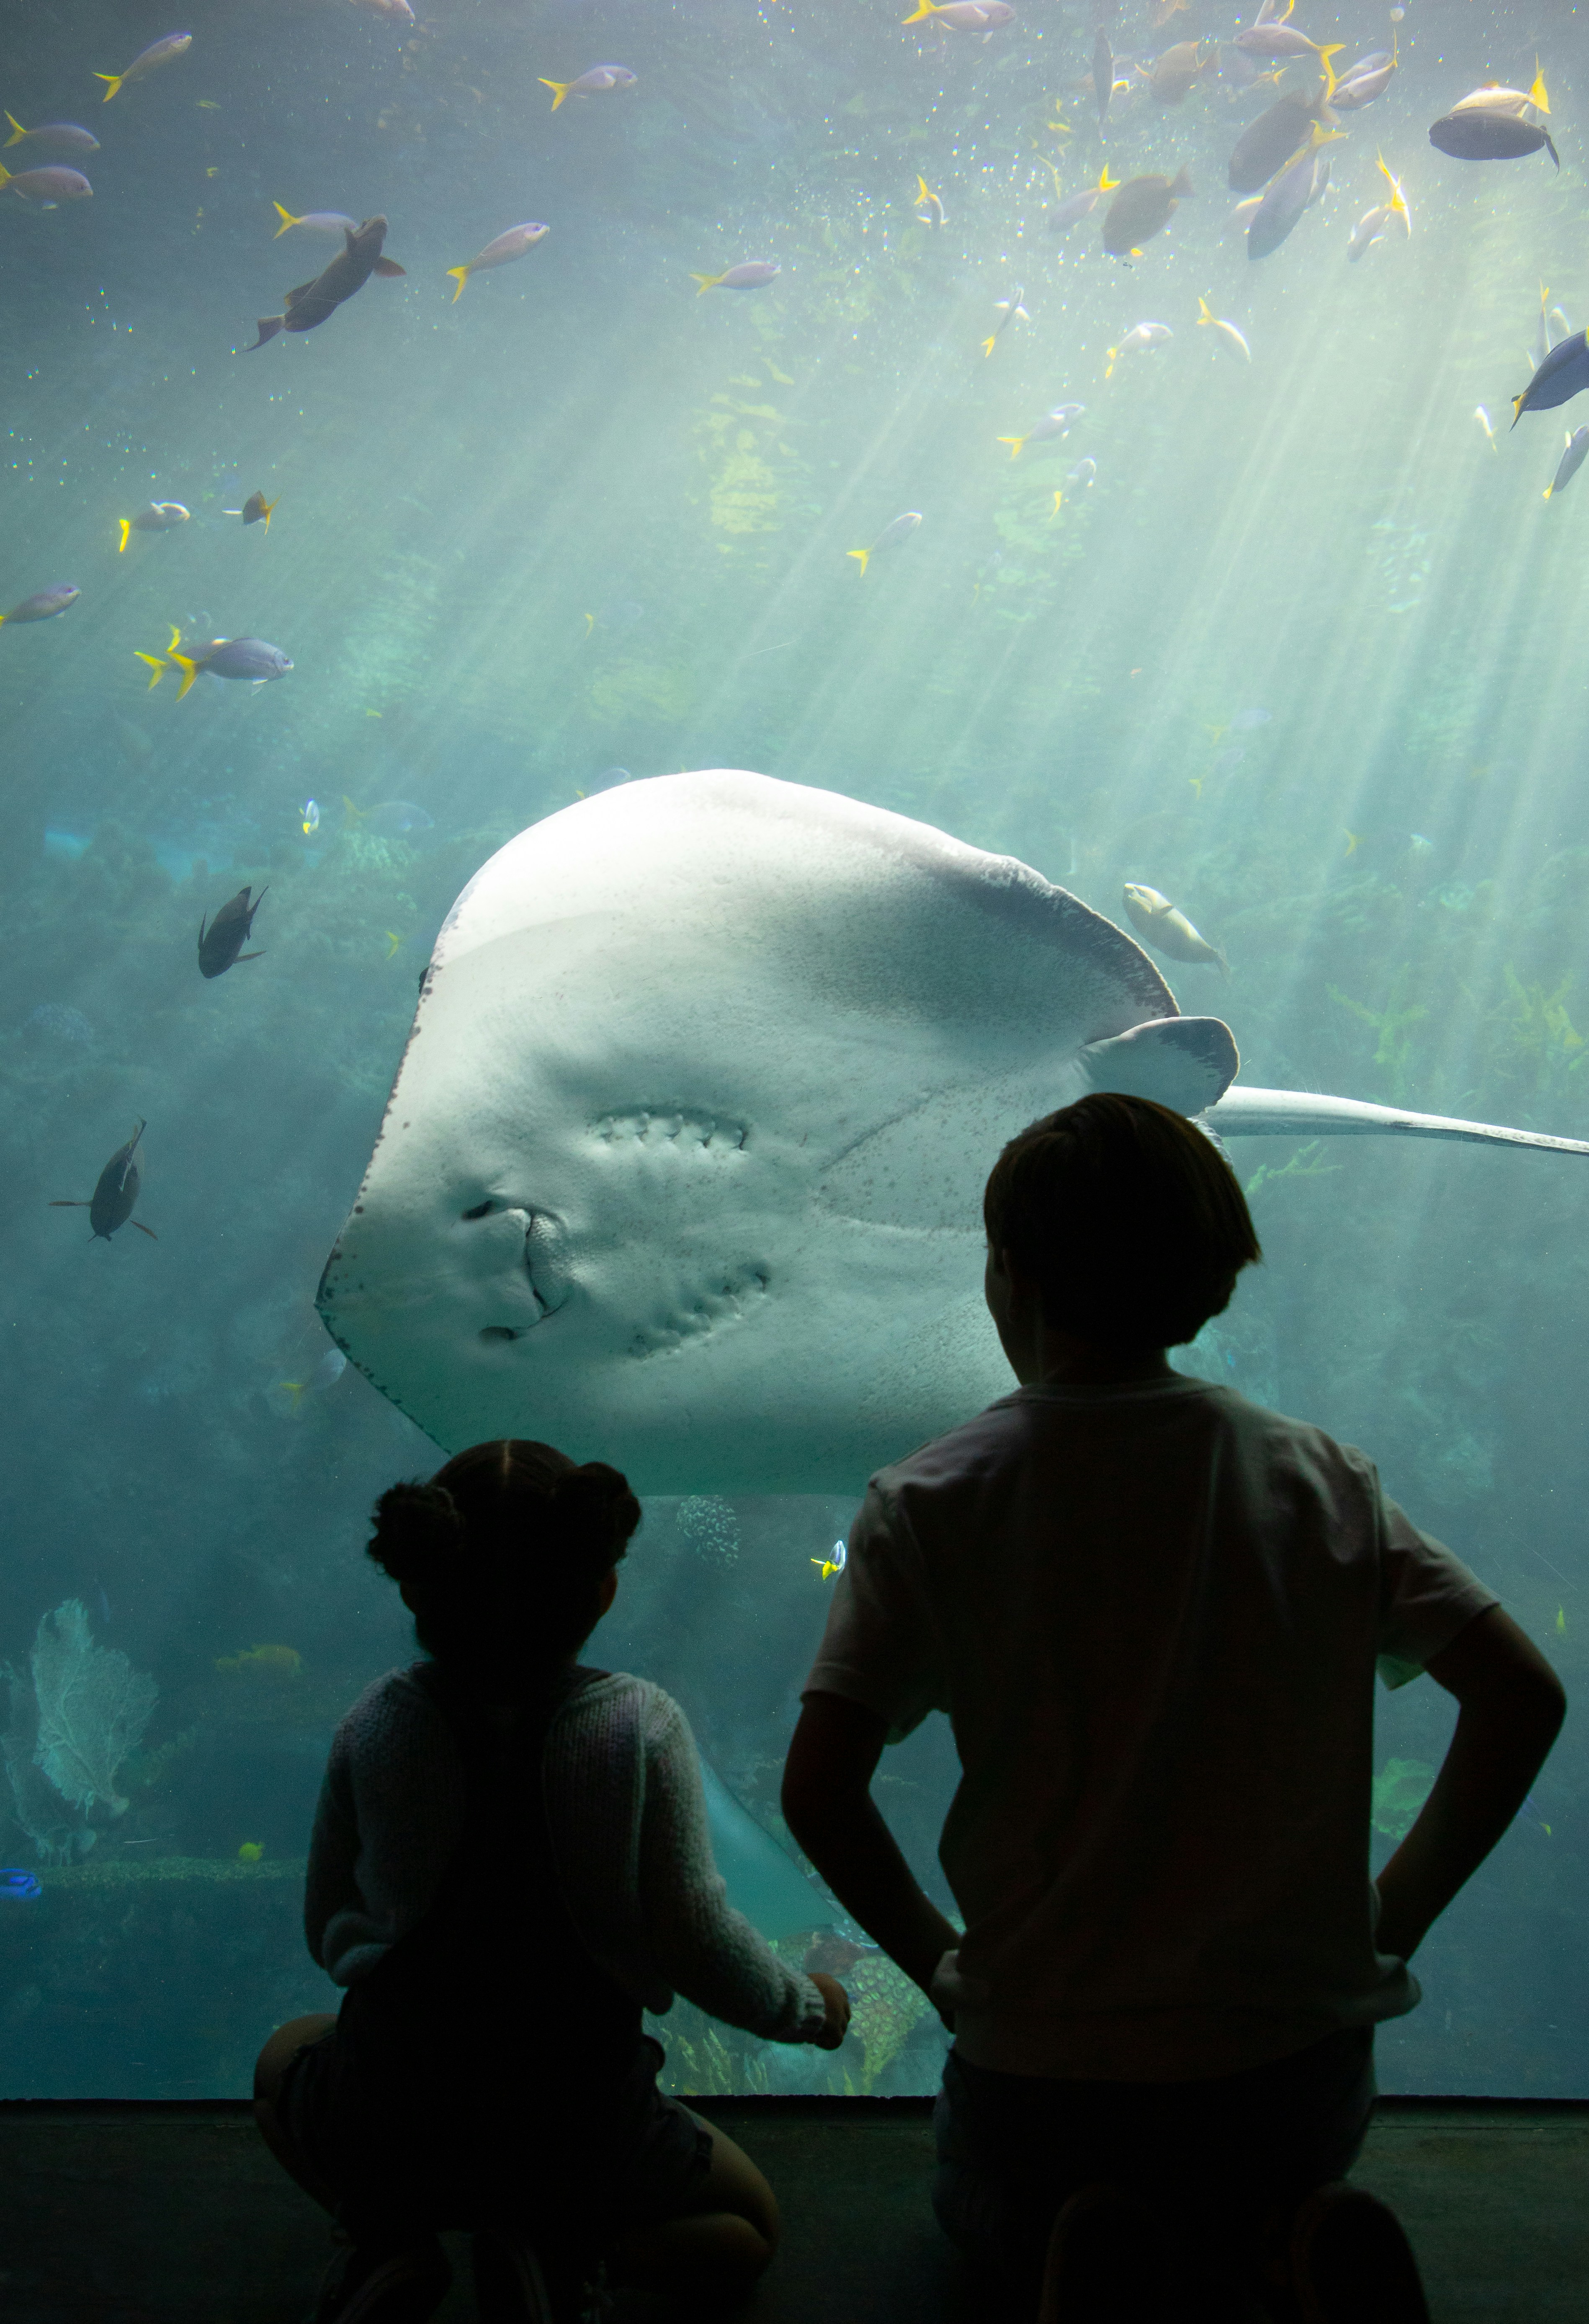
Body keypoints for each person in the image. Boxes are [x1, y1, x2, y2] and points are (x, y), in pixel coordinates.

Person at [781, 1093, 1566, 2323]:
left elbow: (817, 1790)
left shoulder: (928, 1499)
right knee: (1261, 2174)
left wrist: (944, 1966)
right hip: (1292, 2076)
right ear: (1212, 1279)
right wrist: (1390, 1918)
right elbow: (1519, 1692)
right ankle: (1284, 2234)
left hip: (1047, 2069)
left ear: (1007, 1276)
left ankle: (1074, 2242)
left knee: (976, 2205)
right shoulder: (1320, 1477)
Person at [254, 1439, 850, 2324]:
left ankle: (389, 2247)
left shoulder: (376, 1722)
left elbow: (327, 1923)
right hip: (575, 2119)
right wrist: (805, 2008)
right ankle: (567, 2258)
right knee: (745, 2228)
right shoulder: (639, 1726)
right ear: (602, 1589)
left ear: (416, 1586)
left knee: (282, 2063)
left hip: (396, 2106)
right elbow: (694, 1935)